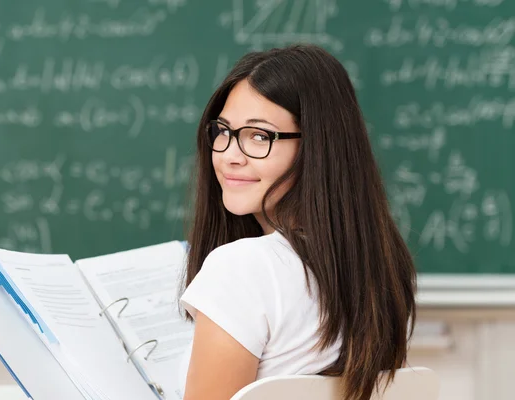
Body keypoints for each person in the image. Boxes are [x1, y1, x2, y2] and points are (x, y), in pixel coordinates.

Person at [177, 44, 417, 400]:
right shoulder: (381, 271)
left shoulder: (242, 268)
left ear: (316, 148)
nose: (229, 155)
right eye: (224, 131)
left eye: (259, 136)